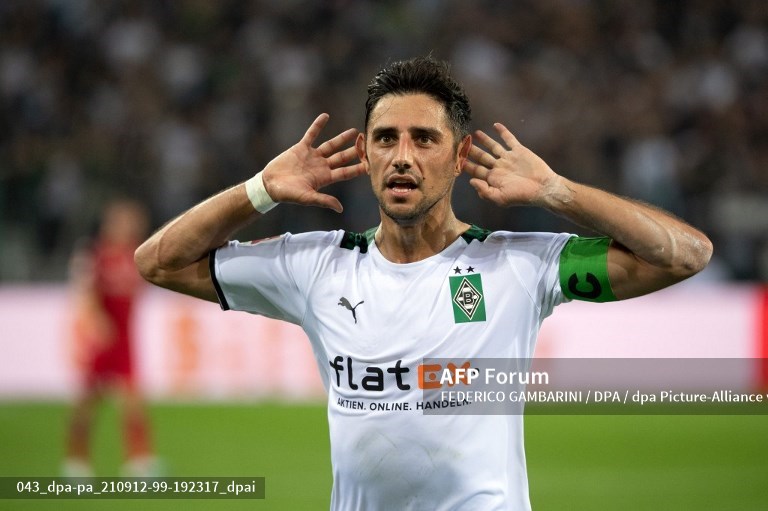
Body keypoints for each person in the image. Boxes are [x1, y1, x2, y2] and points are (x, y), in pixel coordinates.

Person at [134, 57, 712, 510]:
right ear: (362, 152)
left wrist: (557, 192)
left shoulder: (518, 267)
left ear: (461, 155)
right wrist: (259, 189)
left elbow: (683, 257)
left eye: (424, 139)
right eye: (385, 138)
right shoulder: (315, 268)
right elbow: (159, 262)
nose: (402, 157)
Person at [65, 199, 158, 477]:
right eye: (124, 221)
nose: (130, 226)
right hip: (103, 340)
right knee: (87, 403)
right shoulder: (94, 254)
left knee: (133, 402)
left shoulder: (136, 254)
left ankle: (139, 461)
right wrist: (96, 322)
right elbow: (84, 294)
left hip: (126, 341)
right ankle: (76, 461)